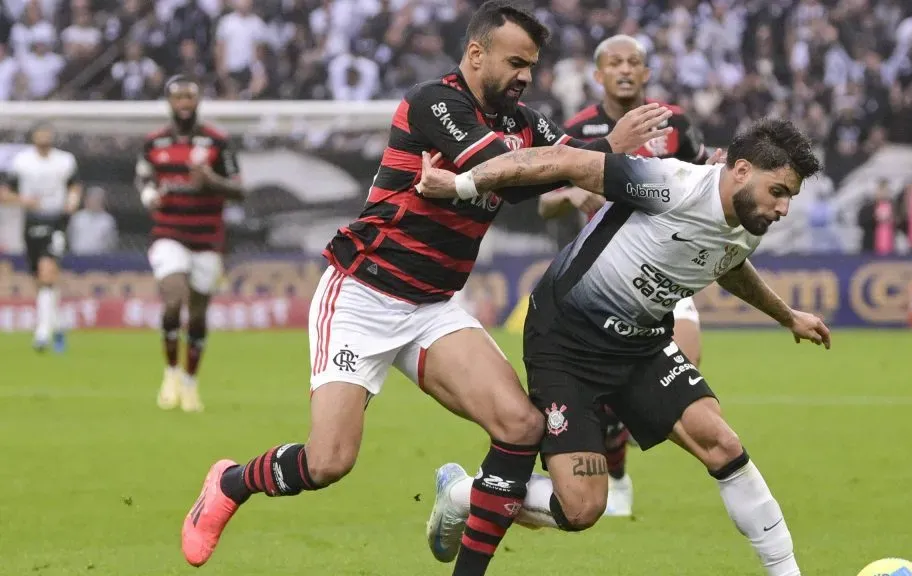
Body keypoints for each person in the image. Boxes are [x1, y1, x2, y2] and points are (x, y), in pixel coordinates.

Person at [179, 2, 669, 574]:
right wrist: (595, 151)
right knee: (329, 461)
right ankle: (232, 482)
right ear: (476, 53)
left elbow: (563, 166)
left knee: (520, 426)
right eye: (515, 63)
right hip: (362, 293)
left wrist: (636, 168)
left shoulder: (523, 123)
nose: (525, 77)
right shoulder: (433, 102)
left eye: (531, 67)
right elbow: (502, 166)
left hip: (433, 307)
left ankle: (466, 546)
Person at [420, 118, 830, 576]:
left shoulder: (749, 222)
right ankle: (464, 491)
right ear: (741, 170)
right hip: (566, 342)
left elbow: (728, 262)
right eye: (778, 191)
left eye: (789, 195)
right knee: (582, 508)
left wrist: (786, 315)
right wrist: (460, 183)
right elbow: (564, 161)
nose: (784, 208)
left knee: (721, 442)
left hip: (641, 345)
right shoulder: (671, 184)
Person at [535, 33, 713, 517]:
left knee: (685, 365)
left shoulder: (674, 123)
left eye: (634, 61)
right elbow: (544, 199)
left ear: (647, 72)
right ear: (599, 75)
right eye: (615, 63)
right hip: (606, 278)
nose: (626, 70)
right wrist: (571, 194)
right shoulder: (579, 128)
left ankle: (613, 444)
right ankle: (610, 471)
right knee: (609, 391)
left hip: (667, 270)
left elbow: (705, 178)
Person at [137, 74, 245, 413]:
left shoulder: (217, 141)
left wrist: (211, 181)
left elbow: (240, 190)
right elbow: (143, 176)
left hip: (207, 240)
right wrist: (148, 194)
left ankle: (189, 382)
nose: (184, 103)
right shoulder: (154, 142)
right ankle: (169, 373)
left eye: (190, 97)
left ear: (198, 101)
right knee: (173, 300)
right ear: (168, 102)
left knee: (197, 314)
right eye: (178, 97)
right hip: (168, 233)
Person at [0, 122, 81, 353]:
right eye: (40, 135)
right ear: (34, 137)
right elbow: (5, 193)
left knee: (48, 270)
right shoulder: (22, 162)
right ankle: (56, 325)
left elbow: (75, 187)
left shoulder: (65, 160)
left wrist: (71, 202)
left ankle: (42, 333)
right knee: (40, 279)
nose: (44, 139)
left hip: (56, 220)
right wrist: (24, 200)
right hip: (31, 221)